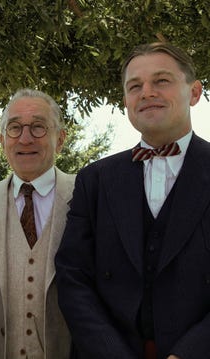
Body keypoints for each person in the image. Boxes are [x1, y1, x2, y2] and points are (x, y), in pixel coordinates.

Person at [55, 41, 210, 359]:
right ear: (126, 100)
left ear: (194, 92)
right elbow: (73, 277)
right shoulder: (94, 179)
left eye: (161, 81)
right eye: (135, 86)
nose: (147, 92)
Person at [0, 88, 75, 359]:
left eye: (38, 127)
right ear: (2, 140)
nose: (25, 138)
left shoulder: (87, 198)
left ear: (60, 139)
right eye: (14, 128)